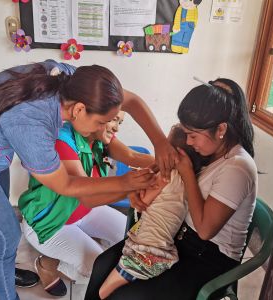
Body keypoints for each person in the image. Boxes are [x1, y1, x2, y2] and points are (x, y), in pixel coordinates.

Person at [0, 59, 177, 300]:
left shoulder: (70, 80)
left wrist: (161, 143)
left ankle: (2, 263)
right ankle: (5, 285)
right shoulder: (33, 125)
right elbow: (66, 185)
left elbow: (131, 101)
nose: (106, 128)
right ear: (79, 109)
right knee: (6, 237)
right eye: (102, 122)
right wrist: (126, 184)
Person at [85, 78, 258, 300]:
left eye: (193, 135)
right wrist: (141, 190)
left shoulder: (238, 167)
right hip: (179, 241)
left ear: (221, 129)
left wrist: (187, 173)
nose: (189, 140)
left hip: (207, 258)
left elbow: (205, 230)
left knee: (126, 295)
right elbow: (171, 163)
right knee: (102, 265)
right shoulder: (209, 151)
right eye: (187, 133)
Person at [20, 110, 155, 296]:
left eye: (120, 122)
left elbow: (132, 156)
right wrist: (130, 189)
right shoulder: (62, 142)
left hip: (85, 211)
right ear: (94, 115)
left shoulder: (99, 136)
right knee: (102, 271)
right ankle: (49, 263)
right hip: (51, 223)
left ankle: (63, 255)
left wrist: (168, 164)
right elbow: (87, 196)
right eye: (113, 120)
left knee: (136, 238)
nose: (116, 127)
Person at [98, 125, 203, 299]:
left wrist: (140, 183)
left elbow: (141, 204)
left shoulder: (163, 177)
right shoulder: (190, 181)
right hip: (162, 253)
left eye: (164, 146)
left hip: (144, 253)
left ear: (173, 154)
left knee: (103, 293)